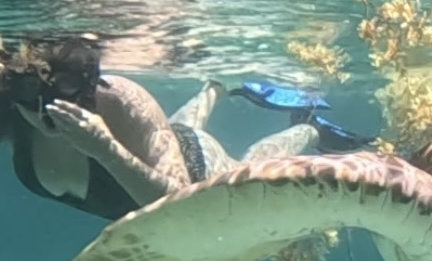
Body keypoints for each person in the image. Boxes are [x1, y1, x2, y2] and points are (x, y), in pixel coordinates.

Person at [0, 35, 321, 220]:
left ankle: (309, 125)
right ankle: (217, 86)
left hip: (198, 170)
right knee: (174, 129)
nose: (46, 112)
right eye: (29, 95)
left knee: (251, 167)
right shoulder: (12, 110)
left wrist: (105, 150)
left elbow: (180, 204)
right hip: (161, 144)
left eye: (62, 94)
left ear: (87, 87)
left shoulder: (119, 99)